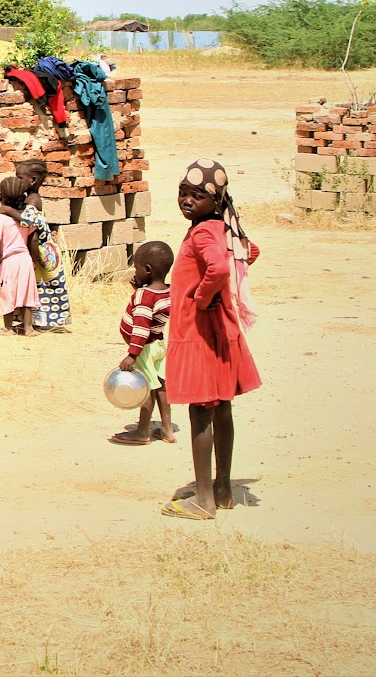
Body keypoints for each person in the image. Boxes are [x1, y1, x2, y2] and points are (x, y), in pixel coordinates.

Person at [161, 160, 262, 521]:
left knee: (200, 410)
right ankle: (222, 489)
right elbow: (248, 251)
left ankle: (202, 499)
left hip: (199, 332)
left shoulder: (202, 233)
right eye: (183, 194)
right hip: (220, 329)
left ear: (215, 201)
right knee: (221, 407)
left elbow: (219, 268)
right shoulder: (221, 227)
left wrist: (201, 297)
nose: (187, 201)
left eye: (197, 196)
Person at [111, 240, 175, 446]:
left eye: (136, 267)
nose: (134, 271)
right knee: (161, 387)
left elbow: (141, 329)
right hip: (158, 345)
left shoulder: (145, 297)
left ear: (147, 269)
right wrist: (140, 287)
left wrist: (132, 354)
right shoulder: (167, 291)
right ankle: (167, 429)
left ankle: (142, 431)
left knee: (145, 388)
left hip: (144, 348)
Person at [0, 160, 71, 330]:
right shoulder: (26, 198)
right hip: (33, 249)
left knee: (47, 286)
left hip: (42, 251)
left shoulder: (34, 199)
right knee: (34, 286)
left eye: (19, 178)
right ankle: (30, 321)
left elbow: (28, 221)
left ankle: (46, 321)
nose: (16, 181)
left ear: (33, 180)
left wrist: (6, 210)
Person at [0, 177, 41, 337]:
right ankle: (28, 328)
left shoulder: (0, 218)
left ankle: (8, 328)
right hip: (25, 259)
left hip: (8, 260)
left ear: (0, 197)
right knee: (27, 293)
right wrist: (34, 259)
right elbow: (34, 239)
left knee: (7, 292)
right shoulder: (26, 219)